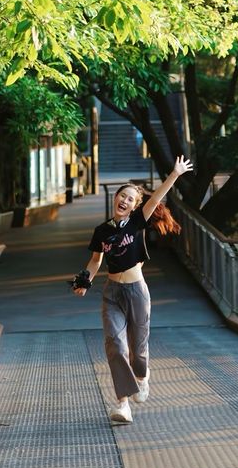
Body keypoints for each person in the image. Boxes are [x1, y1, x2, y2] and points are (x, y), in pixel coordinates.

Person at [71, 155, 193, 424]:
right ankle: (122, 404)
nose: (124, 201)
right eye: (121, 196)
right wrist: (84, 281)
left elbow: (157, 196)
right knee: (115, 346)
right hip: (112, 293)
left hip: (137, 290)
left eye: (130, 198)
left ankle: (143, 376)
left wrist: (174, 174)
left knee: (138, 350)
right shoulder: (101, 231)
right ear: (115, 199)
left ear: (135, 205)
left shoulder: (138, 221)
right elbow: (95, 261)